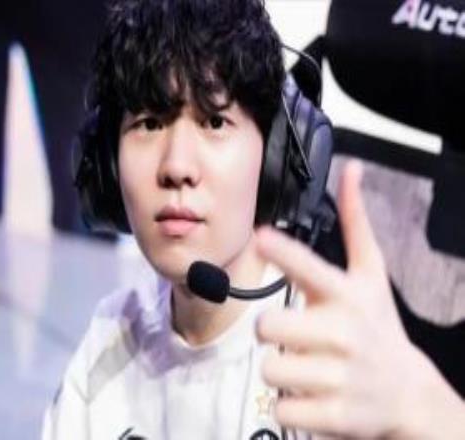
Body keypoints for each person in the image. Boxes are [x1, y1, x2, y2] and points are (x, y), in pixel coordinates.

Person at [42, 0, 465, 439]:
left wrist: (424, 410)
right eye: (149, 123)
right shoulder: (107, 344)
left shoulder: (333, 355)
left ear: (276, 158)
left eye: (214, 121)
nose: (176, 166)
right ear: (106, 167)